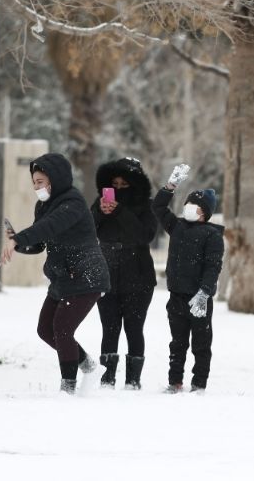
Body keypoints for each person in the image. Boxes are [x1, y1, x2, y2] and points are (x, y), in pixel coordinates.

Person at [2, 153, 110, 395]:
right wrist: (17, 243)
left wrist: (19, 238)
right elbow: (40, 242)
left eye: (40, 182)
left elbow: (50, 226)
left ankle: (68, 387)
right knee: (45, 330)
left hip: (86, 275)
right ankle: (90, 366)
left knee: (62, 328)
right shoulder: (43, 206)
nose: (36, 187)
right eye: (34, 182)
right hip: (63, 276)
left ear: (55, 179)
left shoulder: (73, 203)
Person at [151, 164, 224, 393]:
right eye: (189, 203)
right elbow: (158, 207)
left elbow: (213, 267)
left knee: (201, 345)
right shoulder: (177, 227)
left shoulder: (212, 235)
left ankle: (199, 384)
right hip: (176, 297)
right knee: (177, 343)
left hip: (198, 300)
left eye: (197, 205)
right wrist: (170, 185)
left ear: (205, 213)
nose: (190, 208)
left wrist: (204, 293)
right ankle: (175, 382)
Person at [91, 157, 158, 390]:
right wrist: (100, 212)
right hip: (107, 274)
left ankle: (133, 380)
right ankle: (107, 378)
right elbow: (88, 229)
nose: (118, 189)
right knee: (109, 328)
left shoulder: (146, 206)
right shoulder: (100, 203)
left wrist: (120, 211)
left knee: (133, 328)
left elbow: (144, 235)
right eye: (115, 184)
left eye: (124, 185)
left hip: (138, 276)